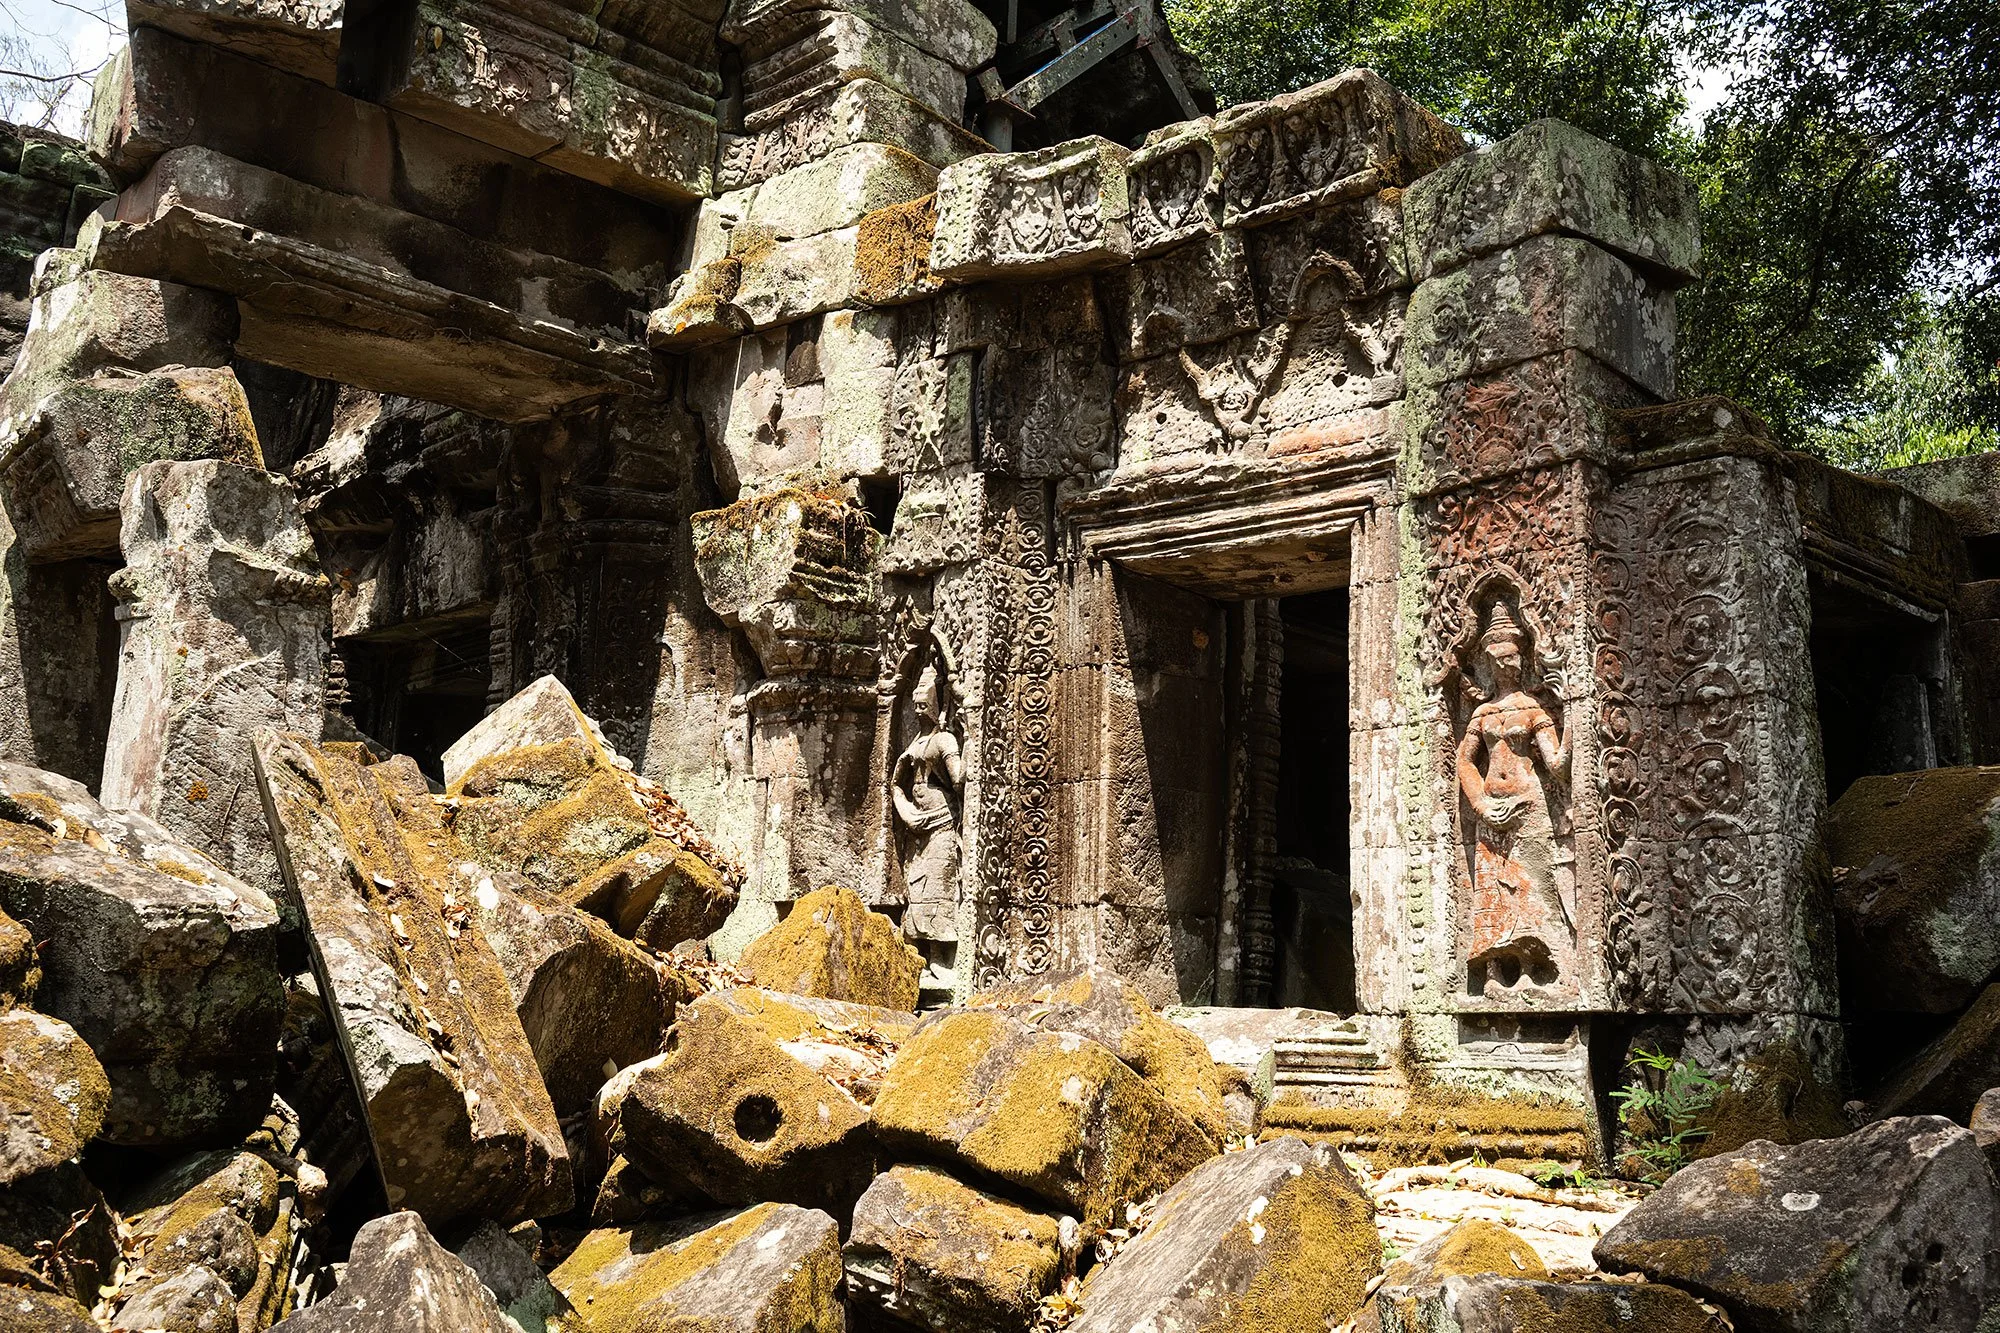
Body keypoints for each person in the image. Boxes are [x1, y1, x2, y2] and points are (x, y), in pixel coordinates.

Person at [1455, 599, 1572, 980]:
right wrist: (1480, 805)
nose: (1508, 664)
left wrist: (1571, 715)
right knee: (1491, 886)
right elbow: (1465, 761)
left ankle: (1532, 966)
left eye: (1513, 656)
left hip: (1527, 804)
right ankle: (1492, 969)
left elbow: (1556, 765)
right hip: (1491, 807)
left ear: (1522, 657)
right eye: (1499, 658)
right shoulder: (1483, 712)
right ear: (1489, 662)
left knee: (1530, 882)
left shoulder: (1534, 710)